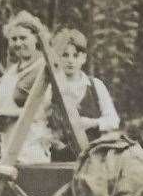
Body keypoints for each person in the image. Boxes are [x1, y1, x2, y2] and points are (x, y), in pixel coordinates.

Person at [0, 11, 54, 164]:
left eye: (23, 38)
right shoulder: (12, 71)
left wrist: (8, 113)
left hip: (32, 144)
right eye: (14, 39)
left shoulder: (45, 67)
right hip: (7, 143)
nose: (18, 43)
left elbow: (43, 110)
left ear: (36, 39)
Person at [48, 29, 120, 159]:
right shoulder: (50, 87)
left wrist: (92, 123)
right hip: (57, 158)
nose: (70, 60)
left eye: (75, 55)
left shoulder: (95, 85)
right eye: (65, 55)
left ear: (84, 58)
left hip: (92, 158)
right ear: (57, 57)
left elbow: (114, 120)